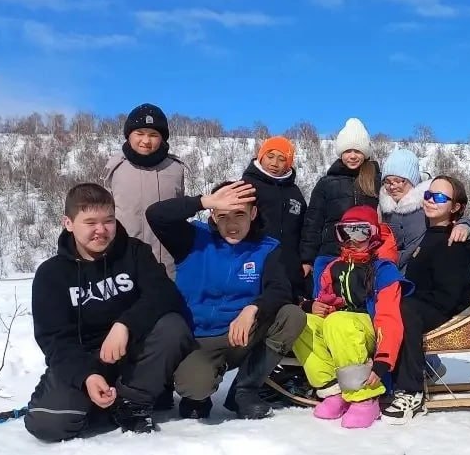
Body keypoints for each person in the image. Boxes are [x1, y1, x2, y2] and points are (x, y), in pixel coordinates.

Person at [24, 183, 194, 442]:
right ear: (68, 223)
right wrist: (87, 376)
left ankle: (134, 401)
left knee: (173, 326)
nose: (101, 230)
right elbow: (54, 339)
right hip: (84, 360)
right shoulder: (51, 275)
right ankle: (97, 403)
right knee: (48, 424)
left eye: (108, 221)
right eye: (90, 222)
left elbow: (164, 294)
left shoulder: (134, 252)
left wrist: (125, 325)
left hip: (132, 354)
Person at [145, 180, 307, 421]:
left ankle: (245, 390)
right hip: (198, 338)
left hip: (240, 335)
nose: (231, 225)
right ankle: (197, 391)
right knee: (195, 387)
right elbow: (156, 215)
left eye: (239, 214)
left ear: (253, 213)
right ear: (213, 214)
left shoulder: (267, 247)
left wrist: (253, 308)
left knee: (292, 316)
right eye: (223, 216)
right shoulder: (193, 238)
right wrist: (204, 200)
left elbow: (280, 289)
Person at [292, 205, 413, 429]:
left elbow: (389, 318)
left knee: (339, 322)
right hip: (341, 332)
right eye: (345, 232)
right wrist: (316, 307)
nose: (352, 239)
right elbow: (328, 302)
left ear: (373, 234)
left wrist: (383, 361)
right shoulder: (333, 268)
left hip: (369, 333)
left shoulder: (382, 270)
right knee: (302, 322)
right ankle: (333, 391)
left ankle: (364, 397)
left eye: (361, 232)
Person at [382, 175, 470, 424]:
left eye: (439, 197)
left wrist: (466, 227)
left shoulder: (453, 239)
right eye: (428, 195)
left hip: (446, 309)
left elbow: (450, 293)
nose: (430, 201)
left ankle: (411, 390)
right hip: (425, 303)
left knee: (405, 310)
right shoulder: (429, 233)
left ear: (455, 207)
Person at [103, 103, 186, 281]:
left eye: (153, 135)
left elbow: (180, 211)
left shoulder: (176, 169)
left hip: (168, 263)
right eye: (139, 134)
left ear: (162, 138)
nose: (146, 141)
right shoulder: (115, 167)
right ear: (128, 135)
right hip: (123, 261)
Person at [300, 118, 381, 274]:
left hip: (365, 255)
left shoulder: (375, 181)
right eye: (347, 151)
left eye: (357, 151)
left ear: (365, 153)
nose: (352, 156)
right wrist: (307, 259)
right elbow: (313, 223)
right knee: (326, 298)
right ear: (340, 153)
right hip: (331, 255)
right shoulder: (327, 183)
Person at [241, 136, 309, 303]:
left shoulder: (295, 192)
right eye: (270, 156)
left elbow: (305, 229)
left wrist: (307, 260)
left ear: (289, 163)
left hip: (290, 265)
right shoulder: (246, 186)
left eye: (281, 159)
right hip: (255, 261)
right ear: (261, 156)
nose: (274, 163)